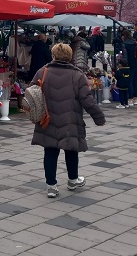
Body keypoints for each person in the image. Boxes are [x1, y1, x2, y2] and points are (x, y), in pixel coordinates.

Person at [30, 43, 105, 198]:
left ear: (54, 55)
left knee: (50, 151)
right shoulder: (77, 75)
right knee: (71, 149)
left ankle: (51, 186)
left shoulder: (42, 72)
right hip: (70, 119)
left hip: (47, 118)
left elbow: (31, 92)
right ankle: (72, 180)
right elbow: (87, 100)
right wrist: (98, 117)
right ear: (70, 57)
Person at [120, 30, 137, 105]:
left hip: (129, 65)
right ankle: (136, 98)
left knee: (130, 82)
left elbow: (125, 56)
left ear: (123, 36)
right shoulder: (135, 43)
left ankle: (130, 98)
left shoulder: (124, 44)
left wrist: (123, 64)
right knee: (136, 82)